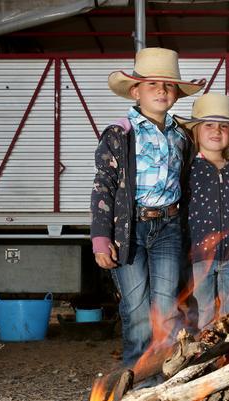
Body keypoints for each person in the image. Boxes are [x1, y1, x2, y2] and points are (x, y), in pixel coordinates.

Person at [90, 47, 205, 367]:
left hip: (168, 226)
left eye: (169, 85)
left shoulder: (182, 135)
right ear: (135, 90)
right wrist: (101, 237)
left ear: (177, 95)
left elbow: (196, 172)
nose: (161, 90)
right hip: (129, 230)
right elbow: (104, 185)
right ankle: (136, 376)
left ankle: (166, 373)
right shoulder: (119, 133)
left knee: (167, 306)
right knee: (137, 308)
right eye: (152, 84)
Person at [175, 93, 229, 329]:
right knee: (201, 310)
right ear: (196, 132)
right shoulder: (189, 169)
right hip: (199, 255)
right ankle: (203, 359)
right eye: (209, 125)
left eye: (224, 126)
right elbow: (180, 208)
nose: (216, 131)